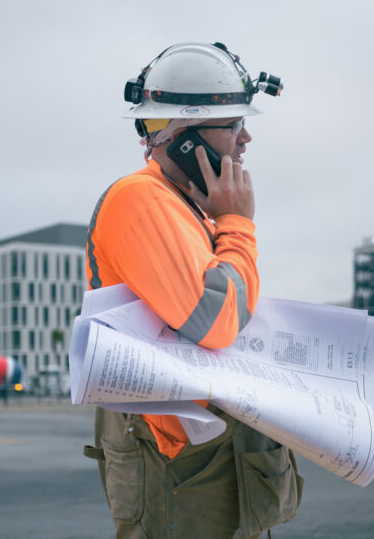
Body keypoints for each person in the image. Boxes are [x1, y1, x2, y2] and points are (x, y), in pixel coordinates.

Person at [83, 42, 303, 539]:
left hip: (202, 454)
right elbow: (218, 320)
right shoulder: (141, 199)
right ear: (184, 138)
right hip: (178, 461)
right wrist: (236, 224)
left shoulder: (185, 210)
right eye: (231, 125)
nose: (245, 138)